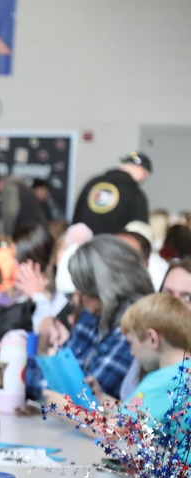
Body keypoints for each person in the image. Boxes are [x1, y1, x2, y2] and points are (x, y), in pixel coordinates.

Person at [35, 235, 155, 400]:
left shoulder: (133, 329)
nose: (79, 295)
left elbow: (82, 396)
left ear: (111, 287)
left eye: (86, 289)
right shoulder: (92, 312)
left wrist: (22, 373)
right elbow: (61, 377)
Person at [117, 293, 191, 422]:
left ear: (152, 339)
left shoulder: (164, 381)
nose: (131, 352)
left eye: (131, 343)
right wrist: (101, 397)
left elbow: (112, 429)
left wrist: (69, 407)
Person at [72, 151, 152, 235]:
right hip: (114, 246)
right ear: (140, 170)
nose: (143, 180)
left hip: (86, 244)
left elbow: (77, 216)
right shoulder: (136, 194)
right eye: (145, 176)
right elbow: (139, 231)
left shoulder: (93, 183)